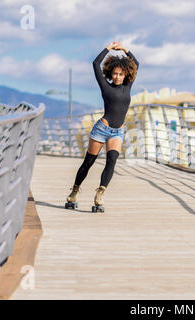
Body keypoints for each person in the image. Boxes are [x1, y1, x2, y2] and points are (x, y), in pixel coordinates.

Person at [66, 41, 139, 211]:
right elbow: (95, 63)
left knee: (111, 161)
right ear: (111, 73)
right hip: (101, 129)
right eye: (115, 74)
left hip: (117, 131)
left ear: (125, 74)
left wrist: (125, 49)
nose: (118, 77)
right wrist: (108, 48)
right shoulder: (105, 86)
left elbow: (137, 64)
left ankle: (100, 193)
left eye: (121, 74)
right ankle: (75, 190)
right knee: (88, 162)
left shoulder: (128, 87)